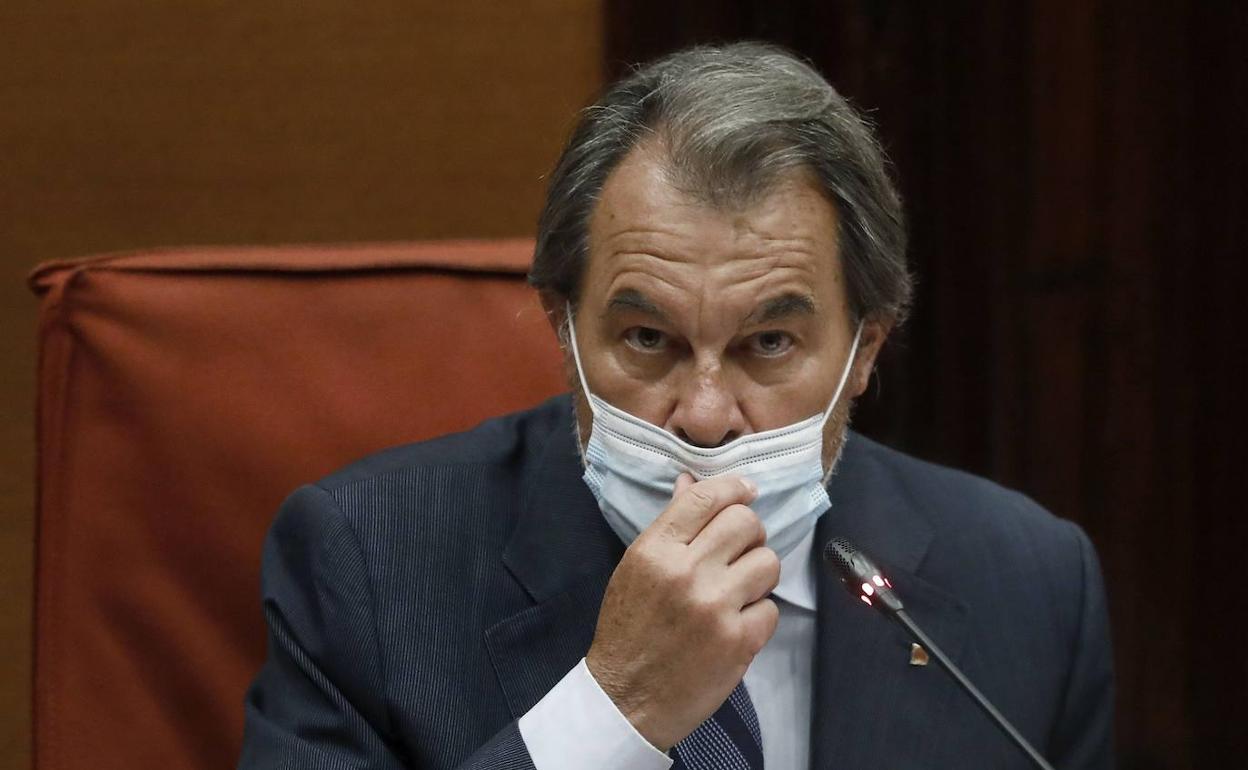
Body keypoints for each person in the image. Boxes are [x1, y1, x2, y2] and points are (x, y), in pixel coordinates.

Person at [238, 42, 1113, 770]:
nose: (703, 415)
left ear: (864, 352)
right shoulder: (365, 562)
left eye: (768, 344)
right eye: (648, 339)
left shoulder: (1029, 583)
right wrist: (613, 709)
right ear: (564, 327)